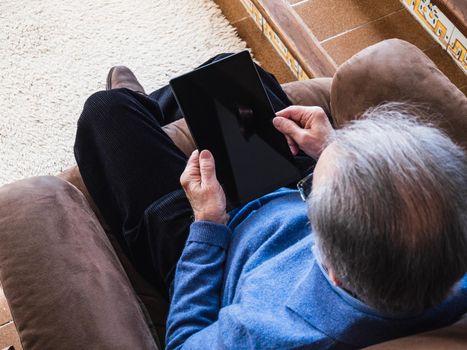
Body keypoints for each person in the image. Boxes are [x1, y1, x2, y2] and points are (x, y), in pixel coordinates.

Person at [74, 57, 467, 349]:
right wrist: (330, 149)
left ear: (328, 268)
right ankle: (159, 107)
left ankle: (141, 105)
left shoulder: (266, 334)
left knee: (104, 112)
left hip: (216, 241)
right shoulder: (451, 270)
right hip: (291, 194)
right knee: (228, 72)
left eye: (320, 186)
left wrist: (207, 225)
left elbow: (183, 343)